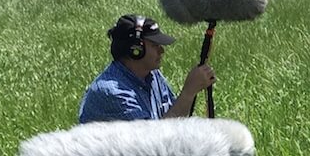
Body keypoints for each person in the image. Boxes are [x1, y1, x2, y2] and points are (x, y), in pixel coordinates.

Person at [78, 14, 216, 123]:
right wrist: (188, 92)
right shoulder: (112, 93)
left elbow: (173, 117)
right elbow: (153, 143)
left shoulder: (152, 75)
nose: (162, 51)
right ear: (135, 50)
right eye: (155, 45)